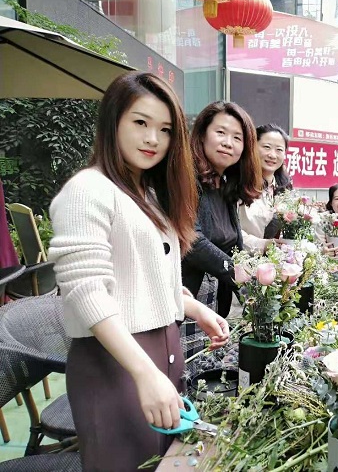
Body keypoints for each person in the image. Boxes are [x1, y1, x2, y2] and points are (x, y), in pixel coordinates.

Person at [47, 72, 230, 471]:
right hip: (115, 364)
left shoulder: (145, 192)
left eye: (165, 130)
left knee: (162, 463)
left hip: (159, 359)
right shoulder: (87, 190)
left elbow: (147, 277)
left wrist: (195, 309)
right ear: (113, 121)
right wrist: (145, 373)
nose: (153, 139)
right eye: (140, 122)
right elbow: (86, 290)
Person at [181, 101, 262, 318]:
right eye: (220, 133)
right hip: (188, 302)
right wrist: (241, 275)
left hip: (217, 304)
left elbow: (234, 245)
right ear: (202, 135)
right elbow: (193, 241)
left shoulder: (226, 185)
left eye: (237, 138)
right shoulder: (186, 178)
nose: (228, 143)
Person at [239, 123, 292, 254]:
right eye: (267, 147)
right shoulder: (236, 185)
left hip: (278, 263)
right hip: (240, 261)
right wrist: (263, 245)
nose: (273, 155)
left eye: (279, 150)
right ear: (252, 147)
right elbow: (228, 232)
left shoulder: (285, 190)